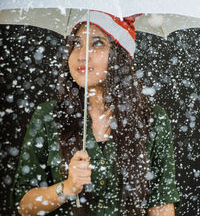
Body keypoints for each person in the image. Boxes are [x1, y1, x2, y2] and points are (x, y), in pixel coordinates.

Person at [12, 11, 180, 216]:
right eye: (76, 44)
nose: (82, 54)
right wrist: (66, 188)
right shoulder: (48, 115)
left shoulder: (153, 118)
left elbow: (161, 205)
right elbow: (24, 206)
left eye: (97, 43)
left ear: (120, 55)